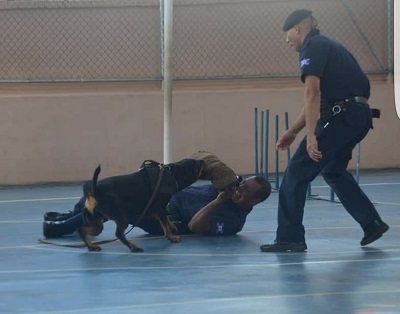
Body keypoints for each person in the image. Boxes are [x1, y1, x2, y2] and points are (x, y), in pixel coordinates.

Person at [260, 9, 389, 253]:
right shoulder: (330, 45)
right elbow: (318, 101)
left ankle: (290, 238)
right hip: (358, 116)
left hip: (342, 117)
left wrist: (310, 136)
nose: (288, 42)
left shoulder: (313, 46)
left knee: (296, 173)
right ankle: (372, 223)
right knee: (333, 171)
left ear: (298, 29)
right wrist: (293, 131)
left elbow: (312, 93)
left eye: (289, 36)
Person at [43, 175, 271, 238]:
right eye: (241, 185)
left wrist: (217, 202)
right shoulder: (227, 188)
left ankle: (58, 229)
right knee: (107, 186)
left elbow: (195, 227)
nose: (239, 190)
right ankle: (74, 216)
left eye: (245, 192)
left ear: (255, 202)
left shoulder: (233, 222)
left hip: (167, 220)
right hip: (162, 198)